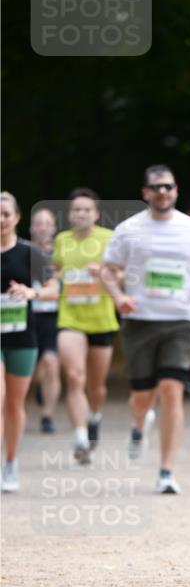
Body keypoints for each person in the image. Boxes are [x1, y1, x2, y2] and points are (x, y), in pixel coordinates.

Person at [100, 164, 190, 494]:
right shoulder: (127, 230)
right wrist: (119, 297)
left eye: (168, 186)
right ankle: (140, 422)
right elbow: (108, 271)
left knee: (171, 390)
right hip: (140, 320)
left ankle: (166, 470)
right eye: (156, 187)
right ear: (145, 193)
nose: (162, 192)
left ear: (176, 191)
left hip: (180, 319)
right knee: (141, 396)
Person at [53, 189, 118, 464]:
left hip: (102, 319)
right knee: (75, 377)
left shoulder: (109, 239)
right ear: (69, 214)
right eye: (77, 209)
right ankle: (80, 435)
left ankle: (94, 416)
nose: (81, 214)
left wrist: (103, 272)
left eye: (87, 209)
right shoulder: (62, 240)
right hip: (70, 318)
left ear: (96, 214)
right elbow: (56, 271)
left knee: (96, 386)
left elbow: (122, 273)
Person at [1, 192, 59, 491]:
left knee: (13, 404)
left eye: (5, 214)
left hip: (23, 335)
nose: (0, 219)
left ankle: (10, 462)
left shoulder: (30, 253)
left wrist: (31, 292)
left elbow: (53, 288)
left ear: (17, 218)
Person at [30, 206, 61, 432]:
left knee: (51, 362)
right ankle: (38, 386)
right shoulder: (21, 251)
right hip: (28, 315)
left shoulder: (62, 253)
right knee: (33, 369)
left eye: (47, 223)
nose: (42, 227)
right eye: (38, 223)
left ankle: (47, 415)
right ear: (31, 227)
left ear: (54, 228)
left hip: (54, 315)